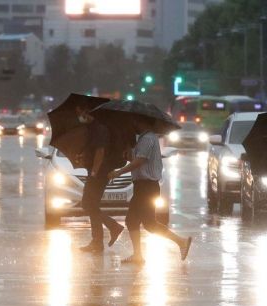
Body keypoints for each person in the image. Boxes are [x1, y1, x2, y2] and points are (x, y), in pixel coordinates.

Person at [108, 116, 192, 265]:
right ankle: (139, 254)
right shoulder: (144, 139)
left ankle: (180, 242)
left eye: (135, 121)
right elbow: (137, 160)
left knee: (139, 221)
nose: (133, 123)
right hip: (143, 186)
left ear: (143, 121)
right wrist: (129, 155)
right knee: (145, 223)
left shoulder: (147, 139)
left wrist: (119, 172)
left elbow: (140, 161)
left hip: (146, 186)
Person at [75, 105, 125, 253]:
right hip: (95, 171)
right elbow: (92, 150)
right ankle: (97, 242)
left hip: (99, 173)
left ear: (87, 111)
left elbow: (100, 151)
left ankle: (113, 227)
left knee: (87, 204)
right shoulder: (91, 128)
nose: (79, 116)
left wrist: (94, 171)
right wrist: (82, 157)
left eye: (80, 113)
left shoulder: (100, 128)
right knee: (92, 205)